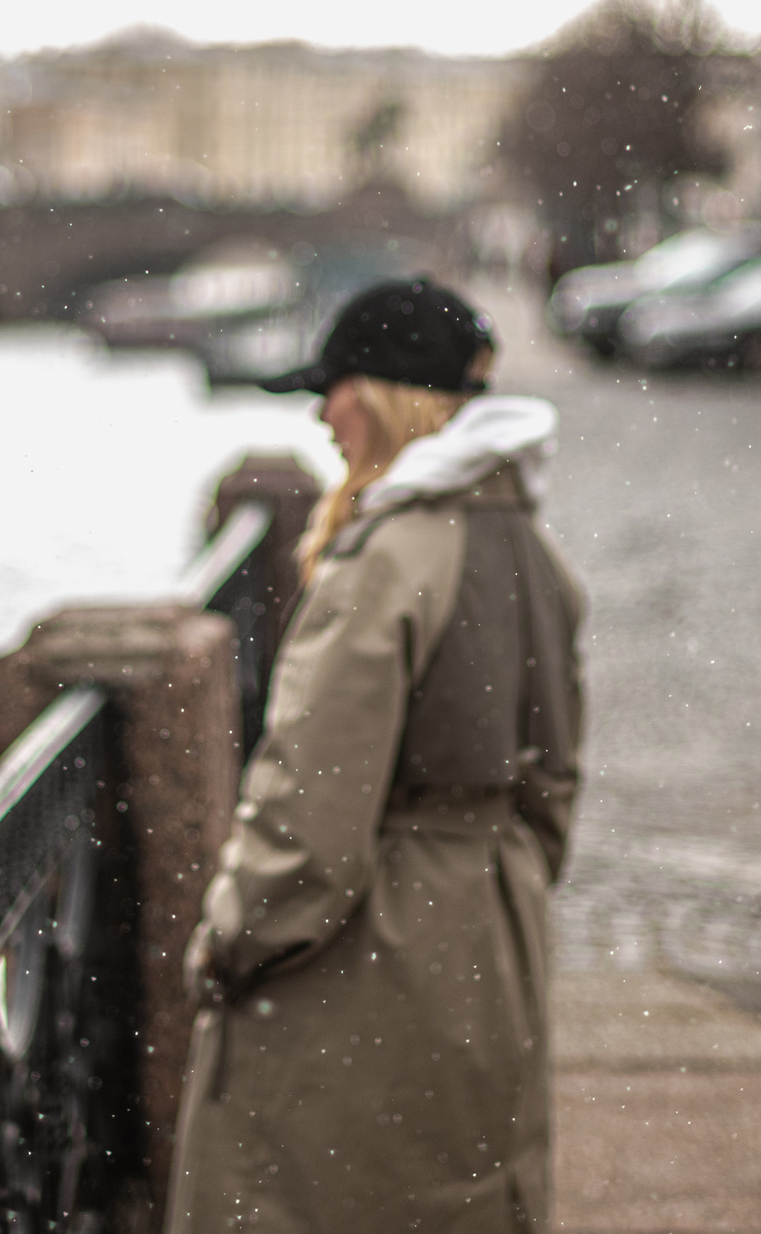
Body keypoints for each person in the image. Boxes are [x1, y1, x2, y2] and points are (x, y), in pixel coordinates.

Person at [166, 277, 586, 1234]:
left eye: (335, 388)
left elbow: (309, 815)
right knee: (464, 1195)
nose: (321, 413)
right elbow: (555, 778)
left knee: (306, 1193)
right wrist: (498, 885)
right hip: (485, 930)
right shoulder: (527, 542)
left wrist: (229, 943)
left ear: (390, 396)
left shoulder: (388, 559)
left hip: (372, 952)